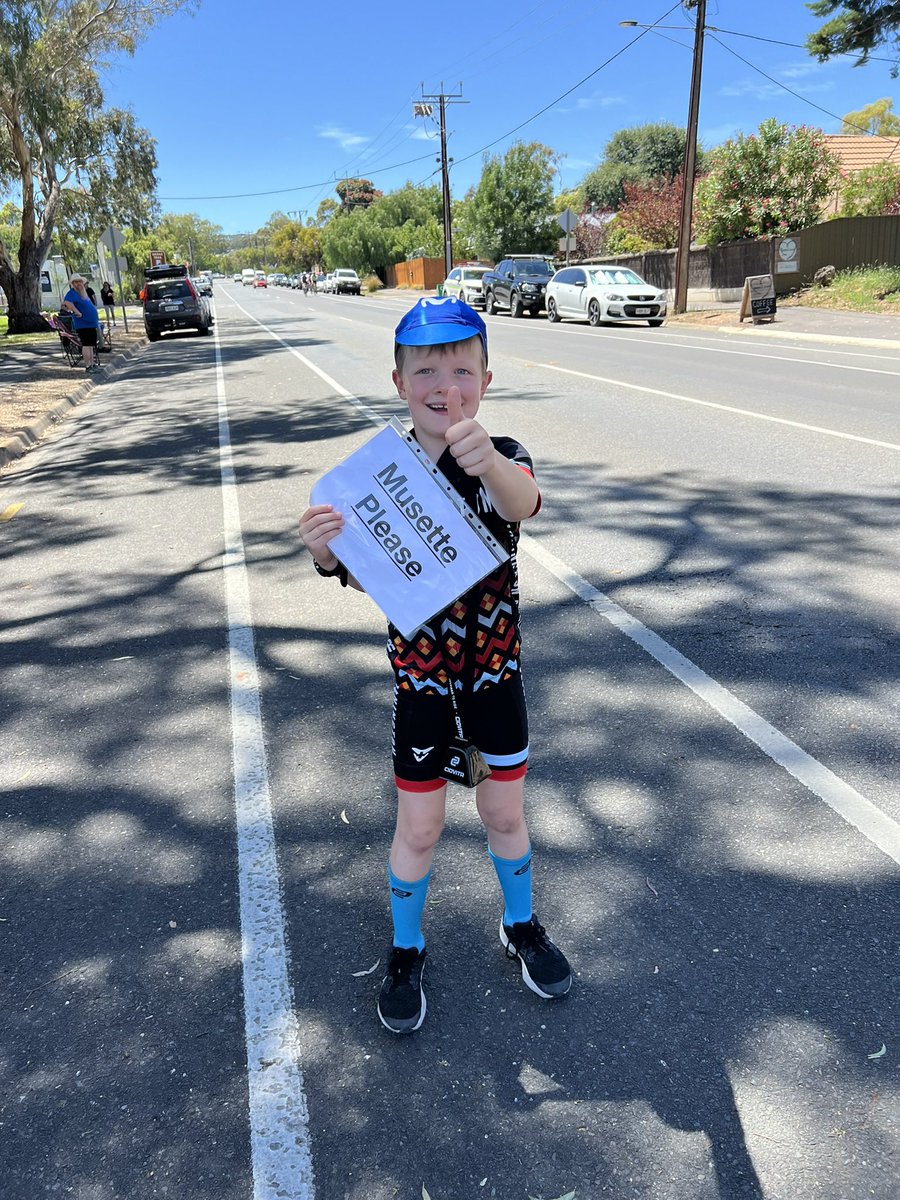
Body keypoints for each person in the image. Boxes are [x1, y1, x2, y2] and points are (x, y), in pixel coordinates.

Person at [299, 296, 571, 1034]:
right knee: (418, 828)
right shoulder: (382, 474)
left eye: (461, 368)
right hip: (422, 687)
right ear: (399, 381)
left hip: (493, 681)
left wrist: (490, 465)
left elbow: (525, 503)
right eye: (426, 369)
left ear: (485, 379)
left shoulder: (501, 454)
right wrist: (328, 555)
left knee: (503, 812)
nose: (443, 383)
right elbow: (373, 576)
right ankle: (405, 947)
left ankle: (521, 927)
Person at [61, 274, 101, 373]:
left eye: (80, 282)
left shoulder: (83, 293)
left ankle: (92, 364)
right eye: (76, 282)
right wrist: (76, 311)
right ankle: (88, 366)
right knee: (86, 345)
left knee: (91, 345)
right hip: (83, 324)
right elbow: (67, 302)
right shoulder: (72, 293)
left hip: (91, 324)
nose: (79, 284)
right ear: (73, 284)